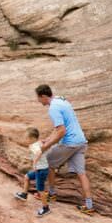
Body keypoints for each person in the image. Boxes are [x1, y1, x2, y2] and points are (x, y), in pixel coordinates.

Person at [35, 84, 94, 214]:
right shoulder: (62, 101)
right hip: (81, 142)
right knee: (81, 174)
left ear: (43, 96)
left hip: (70, 142)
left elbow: (61, 131)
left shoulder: (53, 108)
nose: (38, 101)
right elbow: (58, 128)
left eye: (38, 98)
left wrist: (46, 146)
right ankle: (89, 206)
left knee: (48, 163)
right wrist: (48, 139)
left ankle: (51, 193)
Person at [14, 127, 51, 216]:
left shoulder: (34, 146)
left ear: (32, 138)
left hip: (41, 170)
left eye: (26, 138)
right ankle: (24, 194)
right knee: (27, 177)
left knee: (40, 190)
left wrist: (34, 162)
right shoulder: (38, 143)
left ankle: (46, 208)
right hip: (41, 169)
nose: (25, 140)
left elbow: (39, 153)